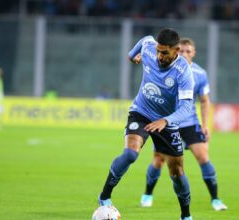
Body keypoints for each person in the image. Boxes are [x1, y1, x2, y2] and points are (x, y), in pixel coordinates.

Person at [97, 28, 195, 220]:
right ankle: (105, 196)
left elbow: (186, 109)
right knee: (130, 153)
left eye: (165, 52)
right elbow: (145, 40)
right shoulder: (151, 49)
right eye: (158, 51)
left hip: (167, 122)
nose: (159, 55)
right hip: (141, 112)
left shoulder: (184, 73)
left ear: (176, 50)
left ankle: (186, 215)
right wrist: (132, 55)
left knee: (177, 172)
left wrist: (165, 121)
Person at [140, 38, 228, 211]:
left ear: (193, 53)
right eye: (182, 51)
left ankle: (216, 199)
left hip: (189, 121)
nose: (185, 54)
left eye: (189, 51)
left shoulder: (200, 74)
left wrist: (205, 124)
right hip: (167, 122)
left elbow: (204, 101)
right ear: (176, 51)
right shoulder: (165, 68)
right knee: (158, 160)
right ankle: (147, 195)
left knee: (203, 157)